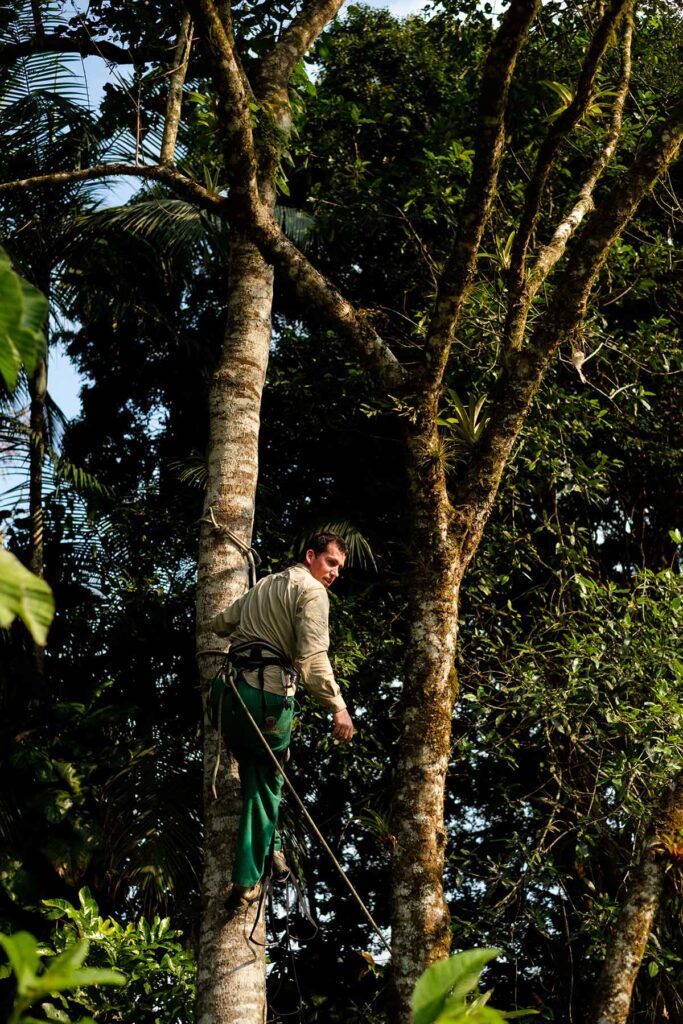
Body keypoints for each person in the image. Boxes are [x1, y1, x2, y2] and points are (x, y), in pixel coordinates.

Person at [208, 532, 355, 910]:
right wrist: (337, 707)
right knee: (267, 782)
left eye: (339, 567)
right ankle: (245, 882)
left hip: (226, 698)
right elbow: (312, 660)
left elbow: (222, 623)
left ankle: (271, 846)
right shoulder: (313, 592)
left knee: (261, 769)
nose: (335, 572)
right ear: (311, 556)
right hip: (264, 698)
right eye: (331, 562)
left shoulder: (267, 583)